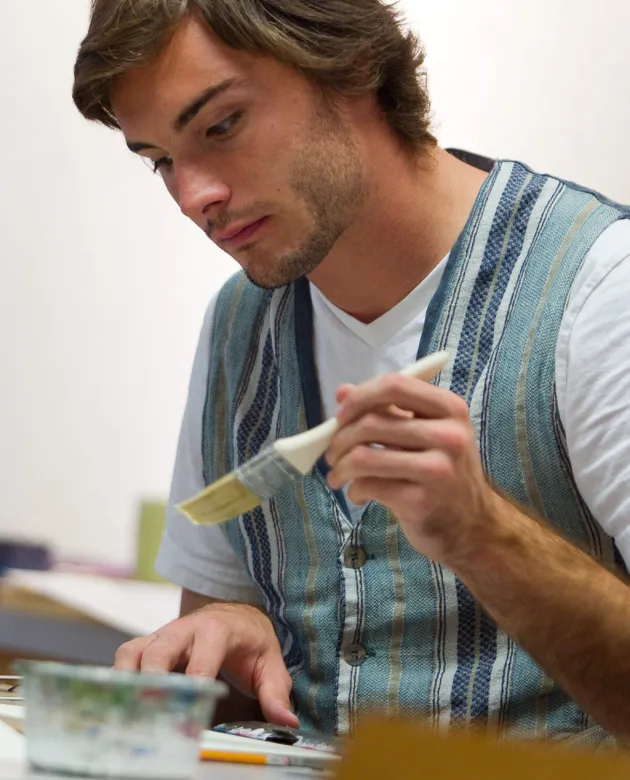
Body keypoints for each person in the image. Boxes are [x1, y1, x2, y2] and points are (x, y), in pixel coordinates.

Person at [72, 0, 630, 747]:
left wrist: (485, 535)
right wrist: (233, 635)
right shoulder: (240, 325)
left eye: (222, 125)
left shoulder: (599, 291)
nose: (194, 197)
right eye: (161, 160)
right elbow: (218, 689)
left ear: (352, 66)